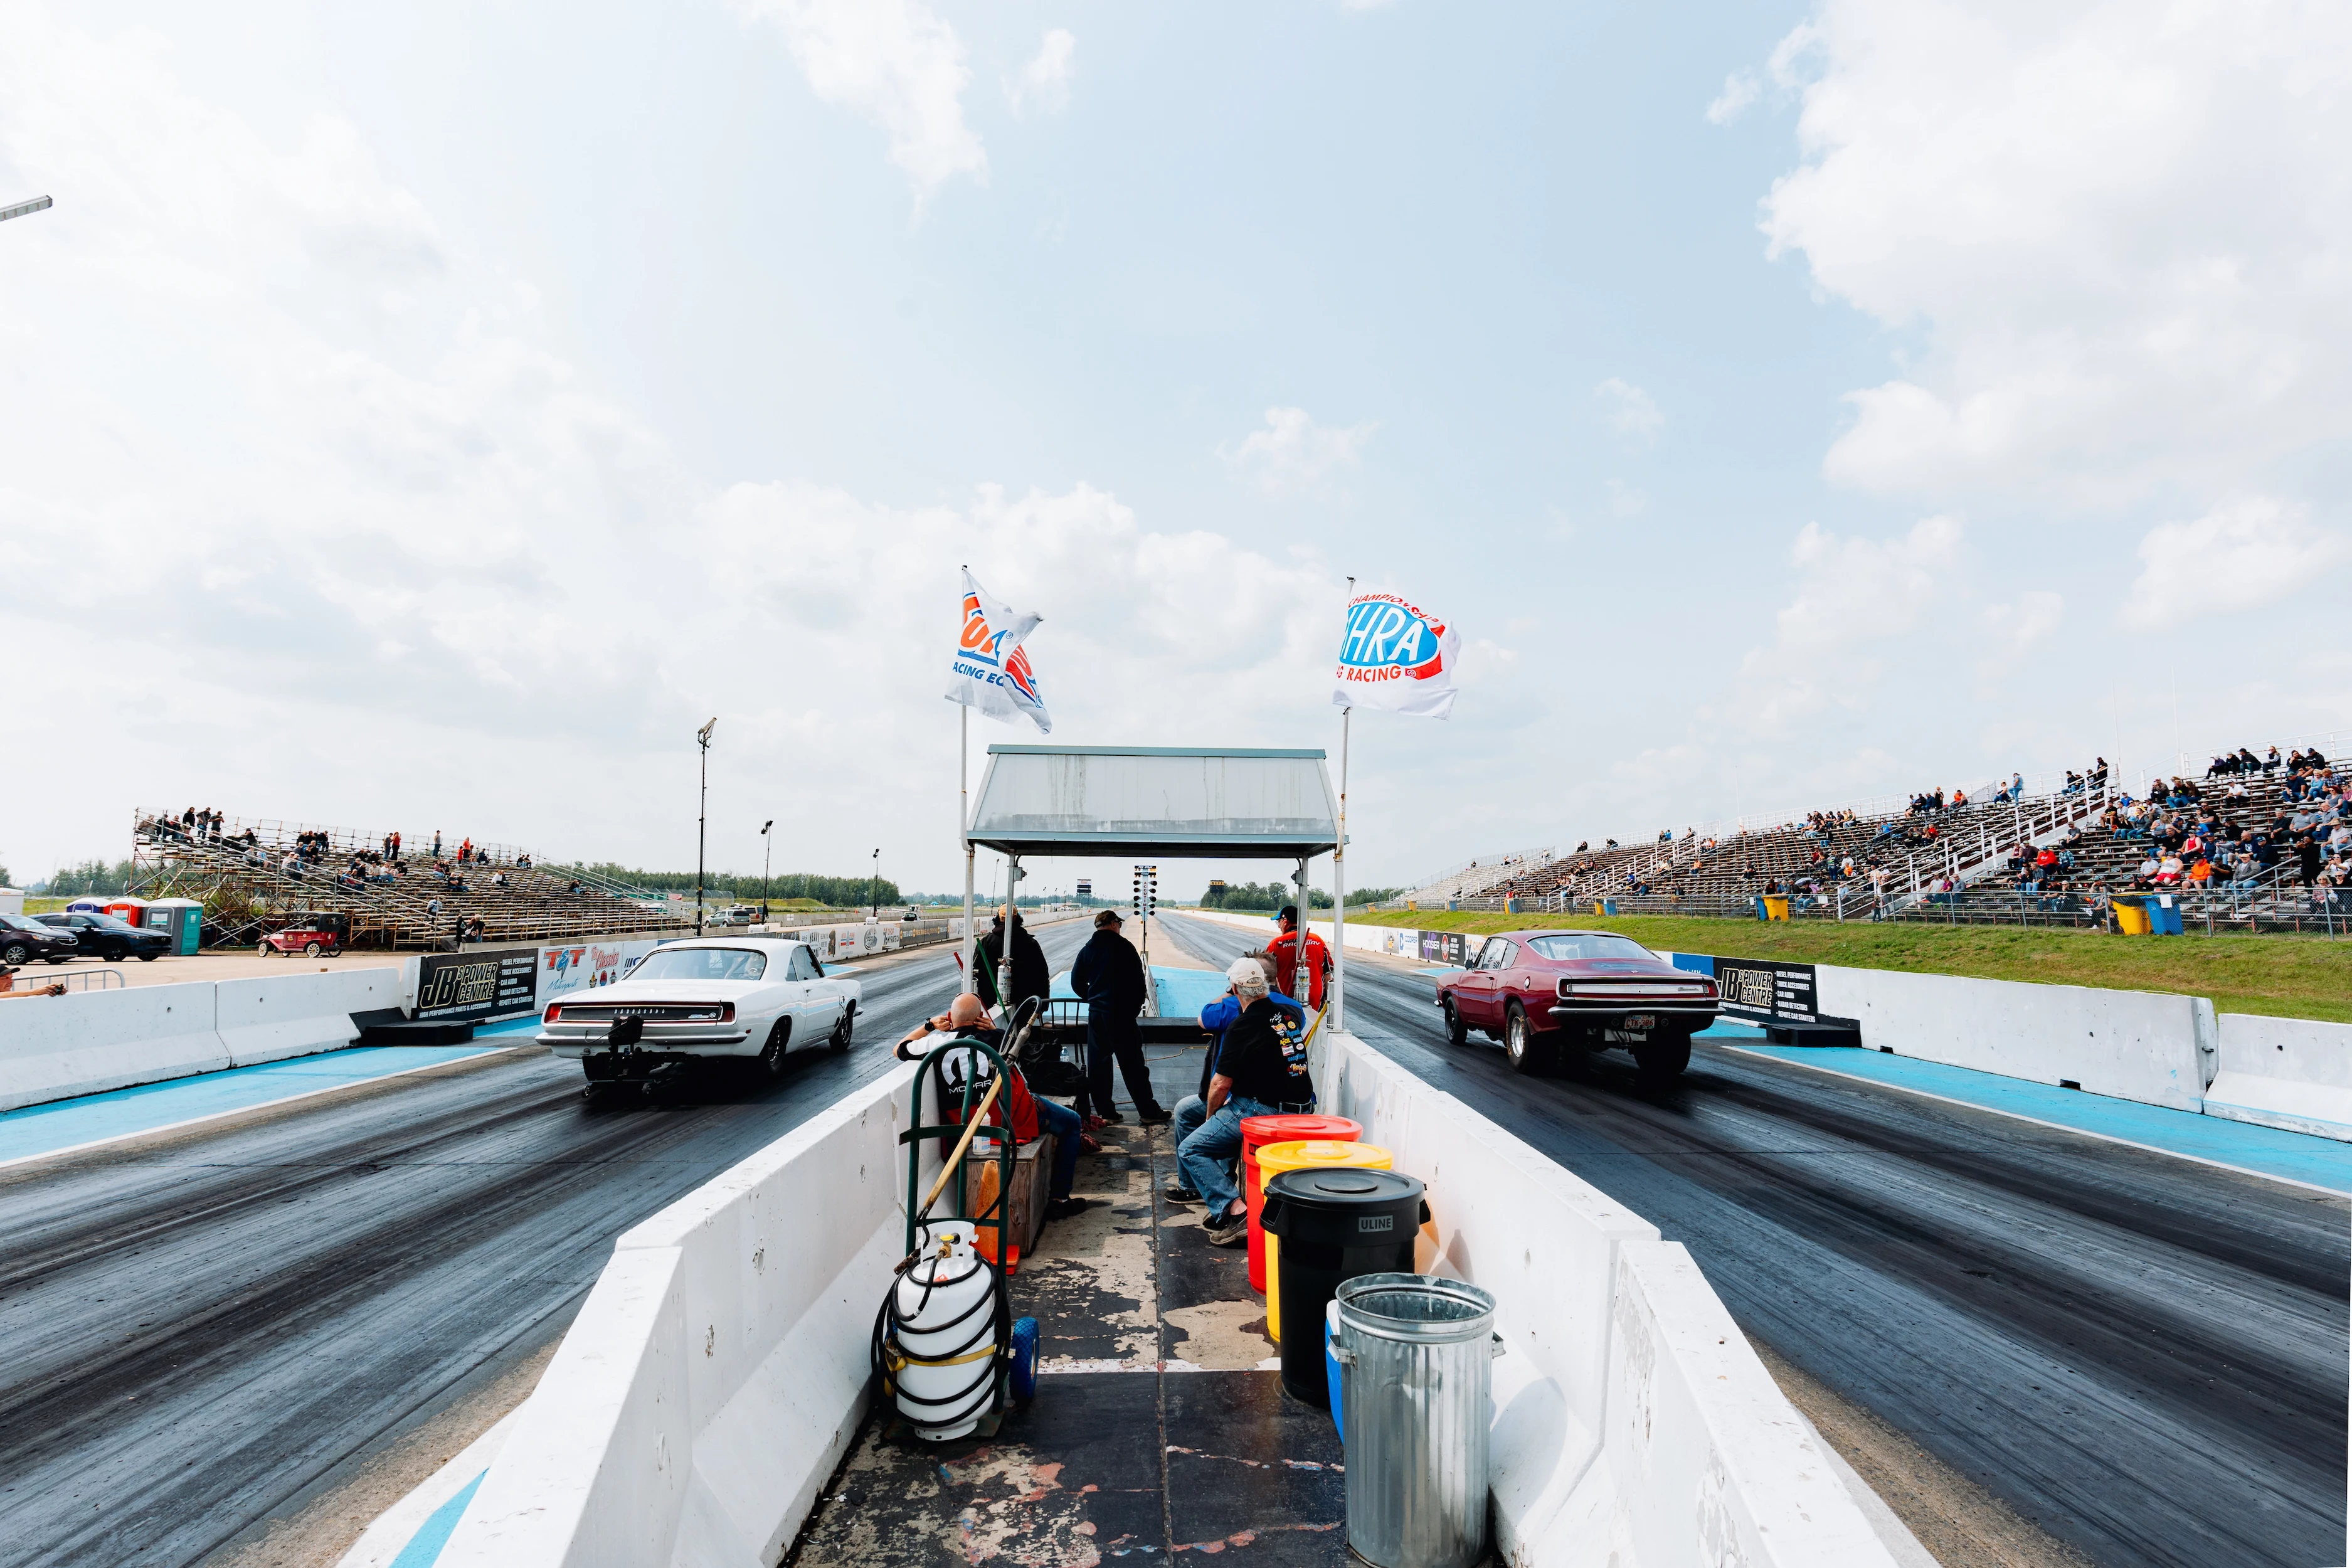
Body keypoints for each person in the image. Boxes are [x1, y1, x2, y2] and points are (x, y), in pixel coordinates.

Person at [897, 992, 1088, 1221]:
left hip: (965, 1126)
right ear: (980, 1017)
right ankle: (1060, 1200)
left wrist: (930, 1026)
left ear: (949, 1017)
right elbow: (1026, 1055)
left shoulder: (936, 1043)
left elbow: (900, 1048)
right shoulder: (999, 1038)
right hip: (1007, 1118)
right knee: (1072, 1122)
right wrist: (991, 1029)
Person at [1178, 958, 1315, 1244]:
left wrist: (1210, 1119)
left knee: (1191, 1148)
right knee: (1222, 1130)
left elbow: (1220, 1085)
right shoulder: (1287, 1016)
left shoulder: (1243, 1024)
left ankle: (1237, 1211)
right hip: (1303, 1107)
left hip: (1264, 1110)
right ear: (1264, 985)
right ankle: (1223, 1207)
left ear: (1234, 988)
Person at [1069, 909, 1168, 1126]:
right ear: (1114, 924)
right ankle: (1148, 1111)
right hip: (1121, 1015)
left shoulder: (1088, 950)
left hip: (1097, 1015)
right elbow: (1138, 984)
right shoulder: (1125, 947)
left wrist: (1093, 999)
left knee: (1099, 1065)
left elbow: (1076, 982)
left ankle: (1106, 1112)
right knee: (1133, 1065)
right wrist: (1132, 1010)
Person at [973, 910, 1050, 1016]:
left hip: (990, 1003)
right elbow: (1042, 975)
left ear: (997, 919)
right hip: (1025, 1003)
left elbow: (975, 973)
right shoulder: (1031, 943)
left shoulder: (986, 942)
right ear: (1018, 919)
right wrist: (1042, 1006)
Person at [1265, 905, 1331, 1010]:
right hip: (1315, 1001)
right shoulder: (1318, 941)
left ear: (1285, 921)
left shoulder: (1277, 944)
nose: (1278, 926)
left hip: (1285, 1000)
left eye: (1279, 922)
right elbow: (1328, 972)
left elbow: (1265, 973)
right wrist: (1328, 998)